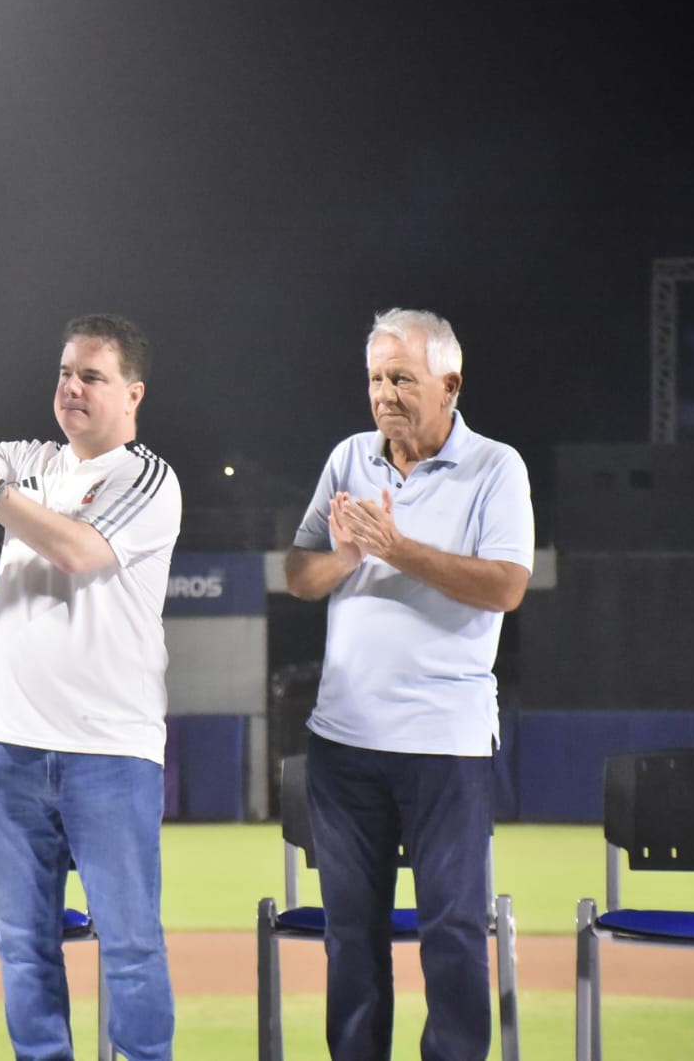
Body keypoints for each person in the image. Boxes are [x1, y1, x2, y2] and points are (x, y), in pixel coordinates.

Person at [0, 313, 181, 1061]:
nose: (73, 387)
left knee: (128, 947)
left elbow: (82, 552)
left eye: (93, 375)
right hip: (12, 749)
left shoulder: (147, 477)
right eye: (65, 373)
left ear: (133, 394)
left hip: (109, 752)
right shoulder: (32, 461)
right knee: (22, 948)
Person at [283, 307, 534, 1061]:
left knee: (453, 934)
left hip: (444, 746)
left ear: (450, 384)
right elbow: (301, 574)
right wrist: (351, 554)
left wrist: (399, 545)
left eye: (402, 378)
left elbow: (505, 586)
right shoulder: (347, 459)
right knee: (350, 939)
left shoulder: (496, 467)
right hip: (344, 743)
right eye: (374, 379)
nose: (384, 394)